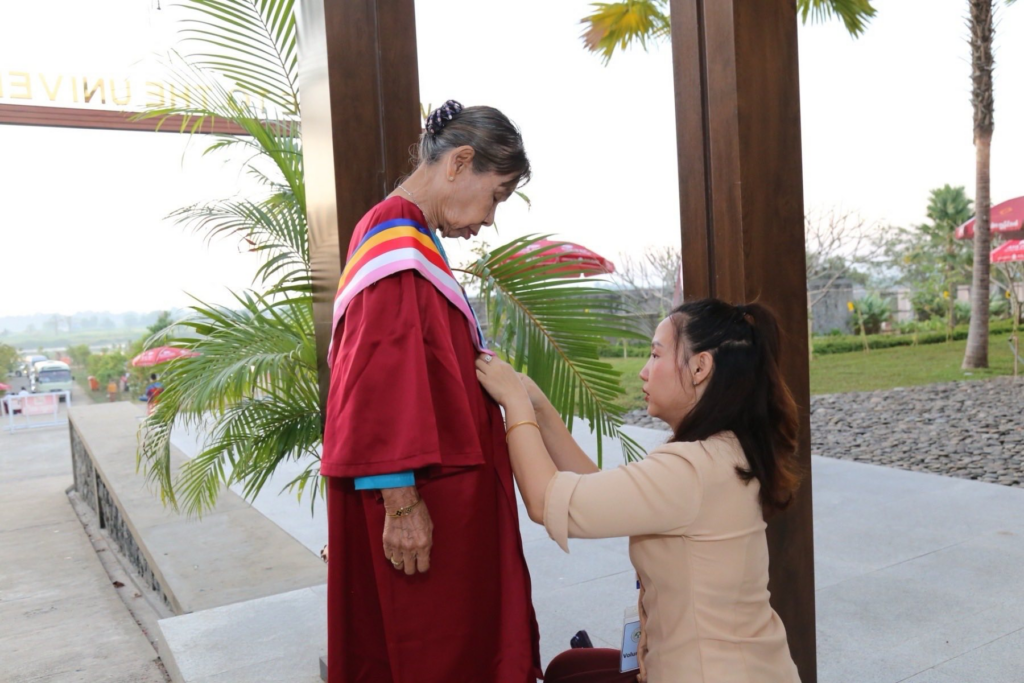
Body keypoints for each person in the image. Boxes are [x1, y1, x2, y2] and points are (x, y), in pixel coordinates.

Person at [320, 100, 541, 682]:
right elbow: (377, 380)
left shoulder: (410, 238)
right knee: (434, 655)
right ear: (460, 163)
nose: (489, 219)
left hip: (447, 494)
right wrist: (400, 502)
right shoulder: (394, 239)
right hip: (427, 501)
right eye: (496, 196)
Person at [475, 299, 803, 683]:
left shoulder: (691, 469)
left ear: (700, 367)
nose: (644, 371)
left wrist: (514, 403)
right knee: (569, 669)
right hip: (743, 665)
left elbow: (545, 499)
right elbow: (601, 491)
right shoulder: (721, 450)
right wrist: (540, 408)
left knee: (566, 672)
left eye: (656, 355)